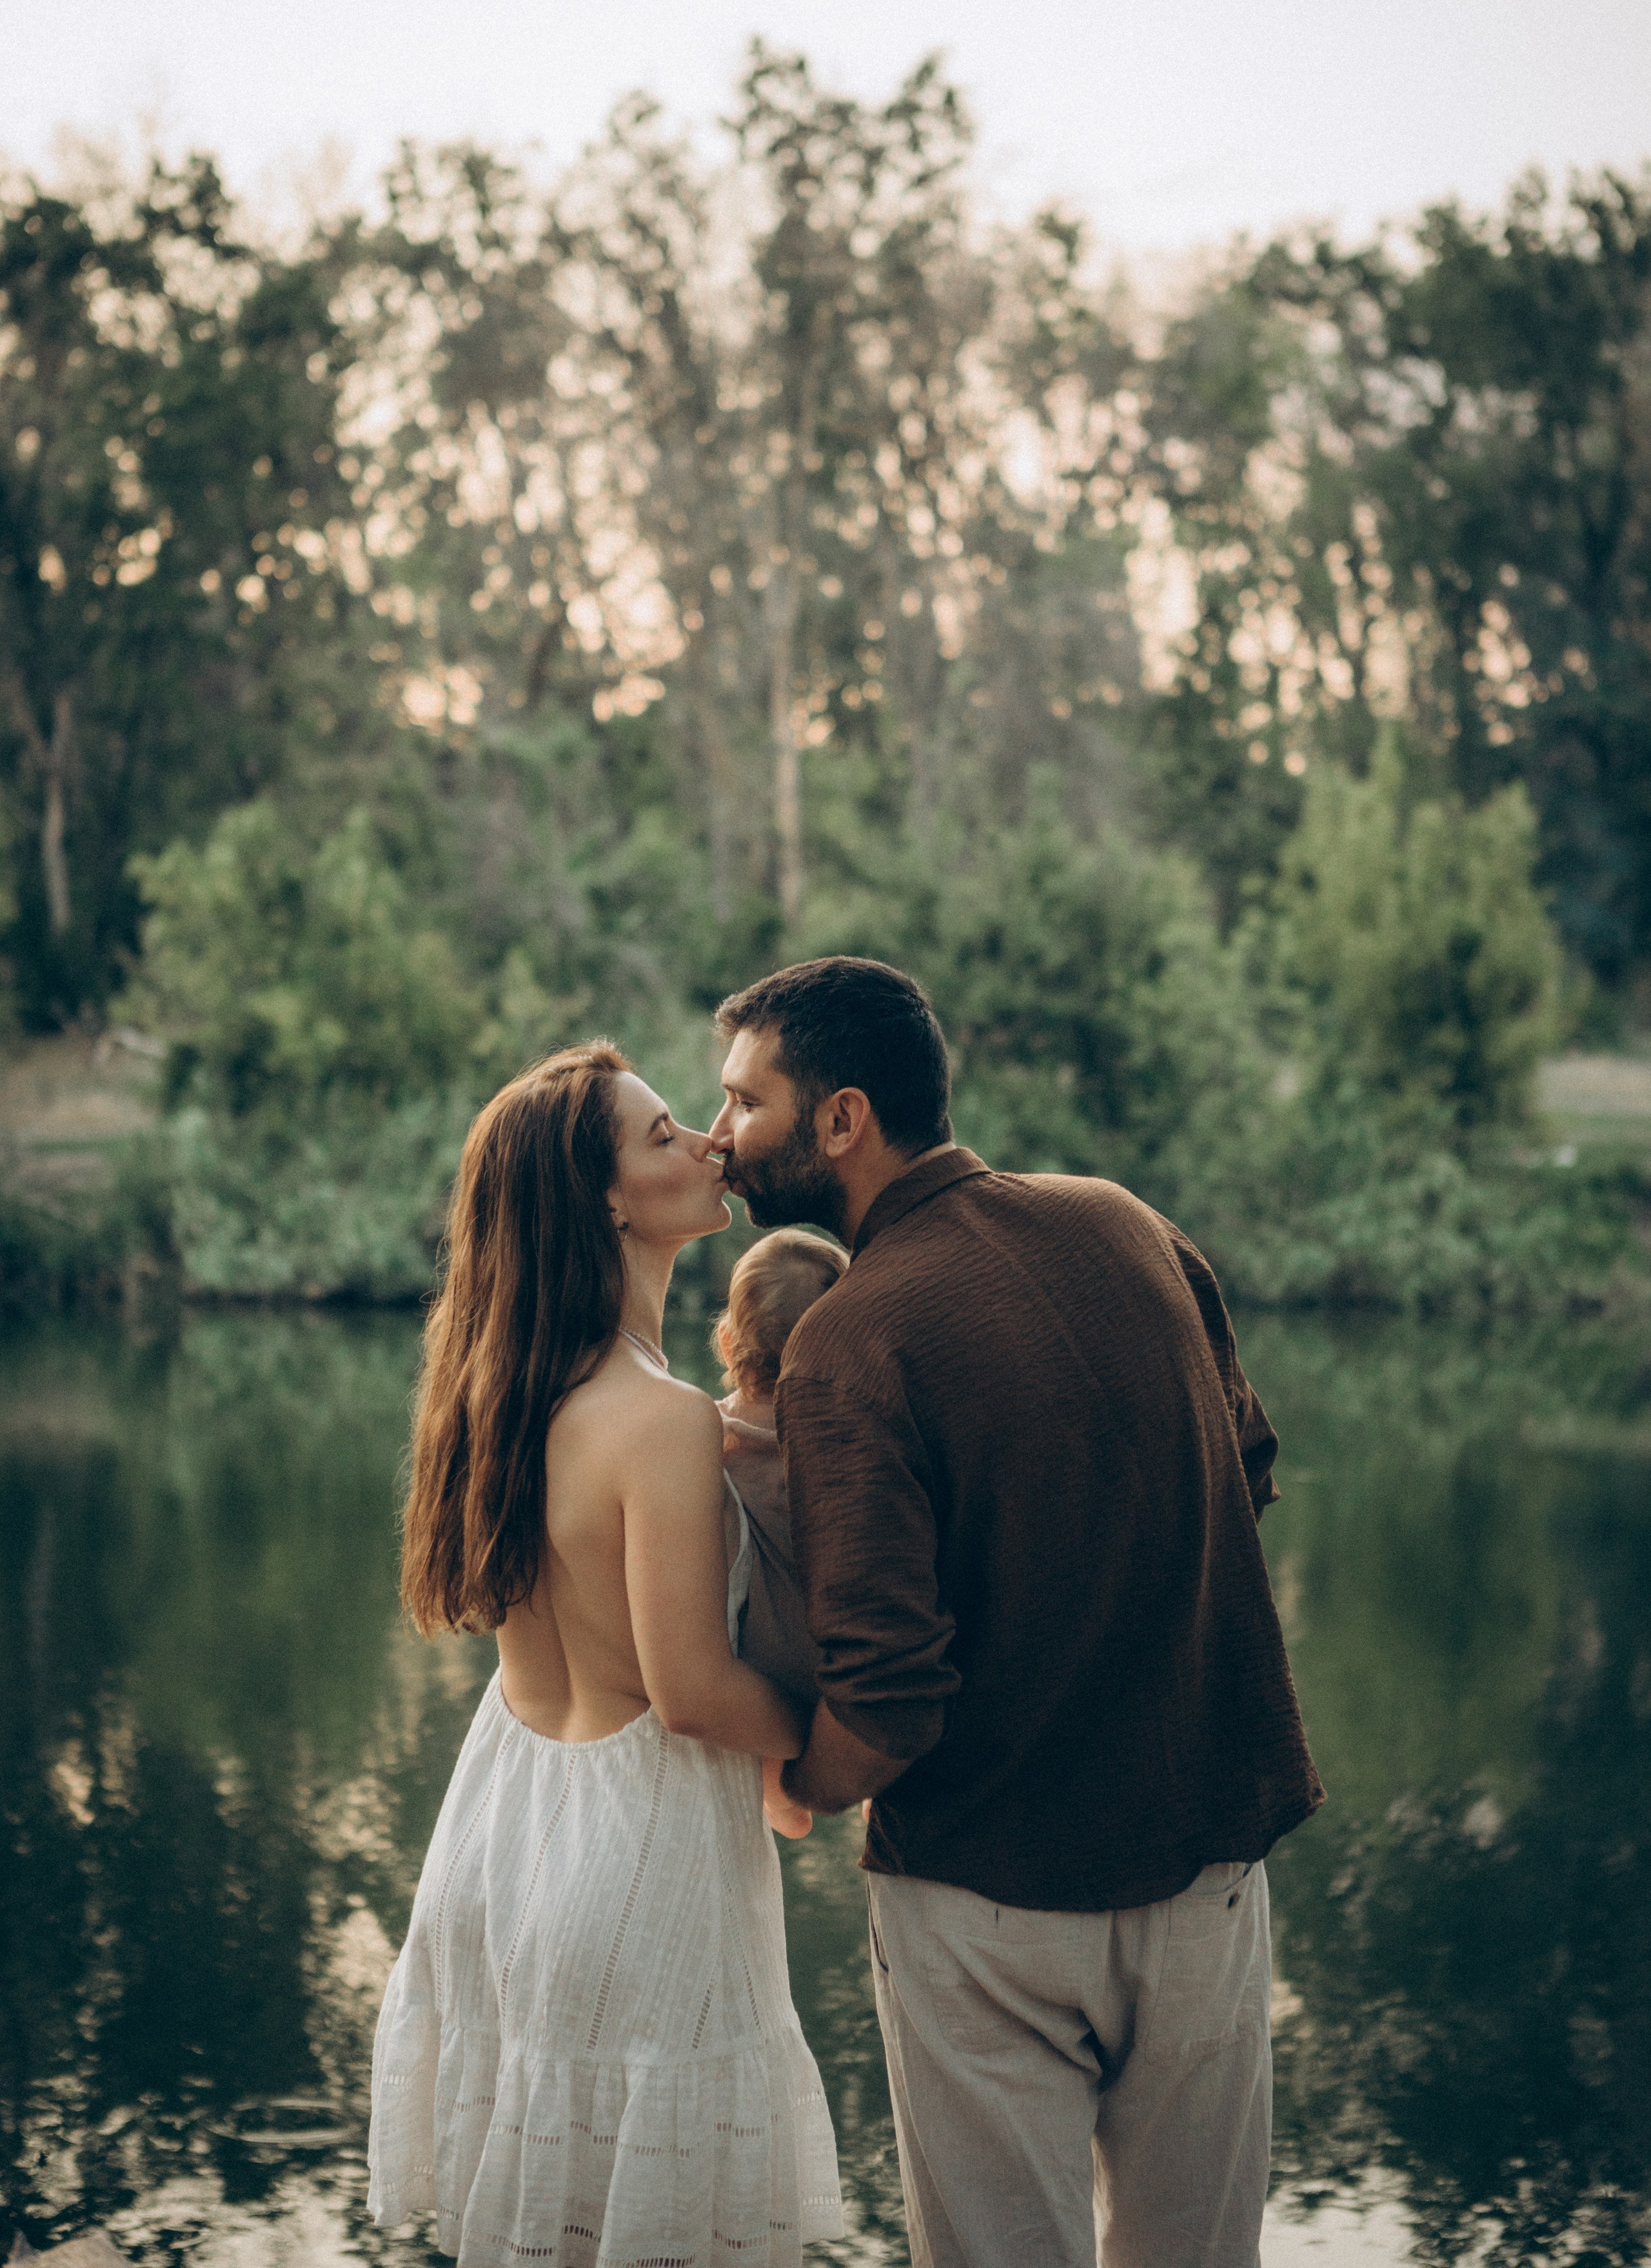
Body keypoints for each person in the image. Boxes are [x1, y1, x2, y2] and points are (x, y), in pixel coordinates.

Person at [707, 958, 1324, 2268]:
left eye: (743, 1102)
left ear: (839, 1120)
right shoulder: (1125, 1222)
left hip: (986, 1908)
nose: (720, 1135)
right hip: (1208, 1867)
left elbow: (883, 1703)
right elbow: (1245, 1466)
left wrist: (796, 1783)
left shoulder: (849, 1339)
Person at [368, 1043, 844, 2268]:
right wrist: (845, 1733)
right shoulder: (662, 1419)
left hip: (508, 1840)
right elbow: (689, 1695)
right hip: (640, 1866)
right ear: (607, 1201)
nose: (706, 1146)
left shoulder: (499, 1393)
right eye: (665, 1135)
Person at [715, 1228, 850, 1712]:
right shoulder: (852, 1445)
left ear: (728, 1344)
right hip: (835, 1676)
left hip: (752, 1677)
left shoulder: (707, 1438)